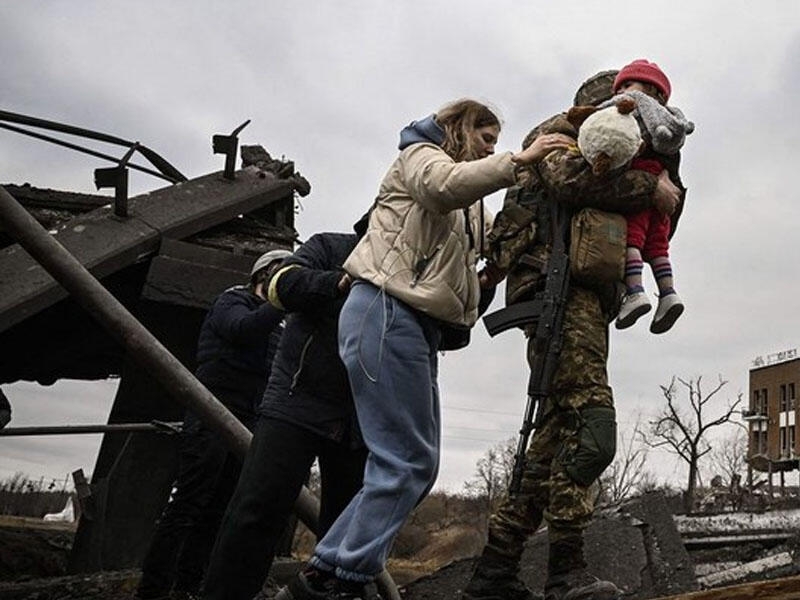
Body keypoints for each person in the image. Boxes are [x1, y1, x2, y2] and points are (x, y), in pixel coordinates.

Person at [275, 99, 572, 600]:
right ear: (460, 128)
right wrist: (522, 160)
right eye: (485, 138)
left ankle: (324, 575)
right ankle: (339, 579)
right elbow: (442, 187)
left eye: (498, 144)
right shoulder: (419, 156)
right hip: (385, 310)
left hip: (415, 325)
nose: (493, 148)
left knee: (417, 463)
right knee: (405, 460)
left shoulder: (472, 204)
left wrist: (494, 271)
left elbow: (458, 273)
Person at [462, 71, 684, 600]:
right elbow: (570, 180)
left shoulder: (640, 151)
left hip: (586, 299)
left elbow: (667, 215)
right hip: (552, 289)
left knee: (552, 441)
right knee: (593, 425)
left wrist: (661, 179)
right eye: (636, 99)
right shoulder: (560, 133)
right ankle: (566, 572)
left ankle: (493, 573)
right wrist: (649, 185)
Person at [201, 223, 370, 600]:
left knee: (344, 532)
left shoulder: (413, 264)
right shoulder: (331, 246)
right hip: (297, 401)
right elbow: (284, 283)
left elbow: (453, 332)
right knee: (256, 513)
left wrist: (483, 284)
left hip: (361, 418)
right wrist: (340, 281)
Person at [135, 249, 291, 600]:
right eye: (283, 275)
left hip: (249, 416)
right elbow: (241, 331)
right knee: (191, 499)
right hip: (213, 408)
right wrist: (280, 305)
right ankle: (153, 589)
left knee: (221, 507)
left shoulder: (278, 325)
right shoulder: (232, 301)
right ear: (263, 275)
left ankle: (187, 587)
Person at [605, 59, 693, 334]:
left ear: (651, 90)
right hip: (664, 201)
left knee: (632, 240)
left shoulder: (630, 110)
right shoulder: (671, 122)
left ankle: (635, 291)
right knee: (657, 247)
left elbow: (605, 128)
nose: (620, 92)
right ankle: (668, 294)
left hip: (640, 193)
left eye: (628, 84)